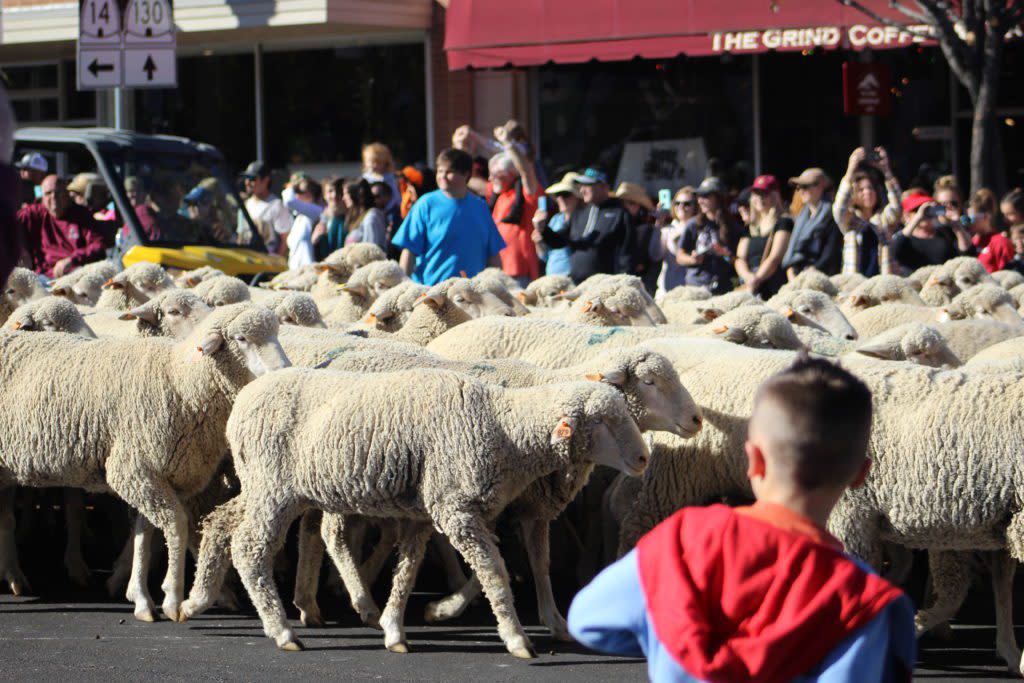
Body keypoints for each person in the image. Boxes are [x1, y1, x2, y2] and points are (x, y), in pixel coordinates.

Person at [568, 356, 916, 682]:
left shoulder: (680, 544)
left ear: (753, 460)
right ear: (860, 473)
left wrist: (666, 635)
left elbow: (587, 621)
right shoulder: (871, 604)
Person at [391, 147, 505, 285]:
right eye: (440, 171)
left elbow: (493, 253)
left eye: (449, 172)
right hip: (432, 292)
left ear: (466, 174)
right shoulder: (426, 204)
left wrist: (498, 285)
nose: (442, 176)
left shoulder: (480, 206)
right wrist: (403, 286)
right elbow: (409, 251)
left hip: (471, 294)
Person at [534, 167, 634, 284]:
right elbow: (560, 241)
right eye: (581, 186)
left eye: (587, 185)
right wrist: (543, 229)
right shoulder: (579, 213)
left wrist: (622, 284)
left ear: (604, 186)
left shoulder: (620, 214)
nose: (582, 190)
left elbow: (627, 256)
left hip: (605, 287)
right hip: (576, 284)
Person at [16, 174, 105, 278]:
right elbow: (8, 226)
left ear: (67, 195)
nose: (53, 197)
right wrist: (20, 249)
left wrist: (72, 259)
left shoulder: (81, 215)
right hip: (42, 277)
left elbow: (98, 245)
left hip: (75, 274)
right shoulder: (33, 214)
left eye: (58, 192)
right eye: (48, 193)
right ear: (42, 197)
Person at [833, 147, 902, 276]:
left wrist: (886, 170)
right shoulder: (850, 221)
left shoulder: (884, 219)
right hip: (854, 287)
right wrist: (850, 170)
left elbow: (897, 206)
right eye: (861, 190)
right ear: (853, 195)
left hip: (881, 287)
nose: (867, 192)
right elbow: (839, 208)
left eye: (871, 188)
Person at [488, 127, 540, 287]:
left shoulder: (526, 193)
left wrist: (508, 144)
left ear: (512, 173)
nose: (491, 178)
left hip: (520, 272)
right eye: (491, 174)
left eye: (497, 174)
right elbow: (468, 180)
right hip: (498, 270)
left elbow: (526, 171)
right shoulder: (498, 195)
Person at [675, 177, 744, 295]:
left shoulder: (734, 228)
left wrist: (726, 255)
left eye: (705, 196)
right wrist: (692, 259)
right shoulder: (693, 224)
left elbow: (739, 261)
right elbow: (680, 256)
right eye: (699, 196)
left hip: (724, 289)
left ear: (719, 198)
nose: (700, 200)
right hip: (696, 288)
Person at [735, 174, 793, 298]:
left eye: (764, 194)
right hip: (750, 285)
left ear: (775, 196)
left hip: (772, 288)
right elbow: (740, 258)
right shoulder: (750, 226)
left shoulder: (783, 222)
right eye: (756, 194)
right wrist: (748, 277)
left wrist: (757, 279)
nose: (760, 198)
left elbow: (775, 258)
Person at [890, 193, 974, 272]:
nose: (924, 213)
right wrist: (918, 218)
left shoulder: (945, 233)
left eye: (928, 209)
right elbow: (894, 252)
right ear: (906, 215)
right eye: (917, 209)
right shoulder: (905, 238)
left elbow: (967, 254)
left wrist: (957, 225)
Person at [782, 168, 843, 277]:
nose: (801, 191)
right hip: (799, 275)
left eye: (805, 186)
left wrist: (811, 273)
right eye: (798, 187)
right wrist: (791, 271)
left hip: (822, 277)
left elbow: (831, 253)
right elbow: (794, 251)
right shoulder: (801, 217)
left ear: (821, 187)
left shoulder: (832, 215)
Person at [531, 172, 579, 277]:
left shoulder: (583, 219)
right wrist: (538, 243)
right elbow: (545, 256)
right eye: (558, 194)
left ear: (578, 197)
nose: (560, 198)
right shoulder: (556, 219)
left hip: (573, 278)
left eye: (565, 194)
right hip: (552, 276)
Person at [614, 181, 659, 293]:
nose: (624, 206)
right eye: (621, 202)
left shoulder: (645, 229)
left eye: (630, 203)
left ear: (639, 206)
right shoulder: (613, 224)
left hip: (632, 281)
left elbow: (640, 263)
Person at [655, 186, 698, 296]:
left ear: (696, 206)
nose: (681, 207)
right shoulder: (668, 229)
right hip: (665, 291)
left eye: (687, 204)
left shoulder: (700, 230)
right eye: (677, 203)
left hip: (689, 291)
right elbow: (656, 255)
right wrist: (658, 224)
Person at [241, 161, 291, 255]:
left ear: (266, 180)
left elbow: (285, 240)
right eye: (246, 178)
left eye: (252, 178)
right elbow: (240, 236)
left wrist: (276, 263)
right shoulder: (246, 204)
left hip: (267, 264)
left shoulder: (277, 205)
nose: (247, 182)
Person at [968, 188, 1013, 273]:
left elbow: (1007, 276)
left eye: (972, 218)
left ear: (986, 216)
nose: (969, 223)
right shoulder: (972, 241)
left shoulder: (1001, 243)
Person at [285, 176, 322, 270]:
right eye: (295, 192)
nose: (296, 195)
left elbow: (289, 201)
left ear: (310, 194)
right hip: (294, 273)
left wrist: (291, 187)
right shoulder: (299, 217)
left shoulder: (316, 211)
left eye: (299, 192)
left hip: (308, 272)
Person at [342, 177, 388, 250]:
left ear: (355, 194)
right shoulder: (361, 217)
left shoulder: (371, 217)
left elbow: (371, 251)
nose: (343, 198)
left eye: (346, 193)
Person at [361, 142, 402, 214]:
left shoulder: (389, 178)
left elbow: (396, 197)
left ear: (385, 163)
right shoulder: (365, 178)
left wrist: (387, 209)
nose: (374, 165)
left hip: (388, 211)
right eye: (371, 162)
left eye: (378, 162)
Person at [312, 176, 346, 261]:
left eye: (338, 191)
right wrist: (314, 241)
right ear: (324, 195)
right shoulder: (320, 220)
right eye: (330, 191)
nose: (334, 195)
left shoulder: (351, 217)